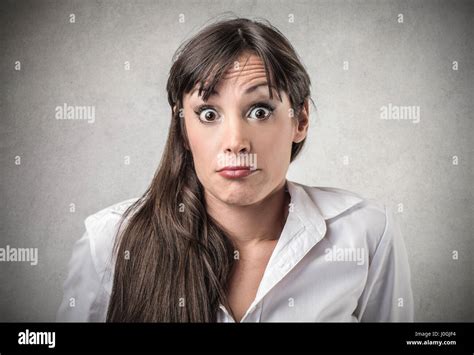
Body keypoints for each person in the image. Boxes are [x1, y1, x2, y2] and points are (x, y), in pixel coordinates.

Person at [56, 17, 414, 323]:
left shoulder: (366, 232)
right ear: (182, 127)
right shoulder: (109, 241)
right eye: (208, 114)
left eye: (260, 110)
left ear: (300, 120)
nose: (235, 142)